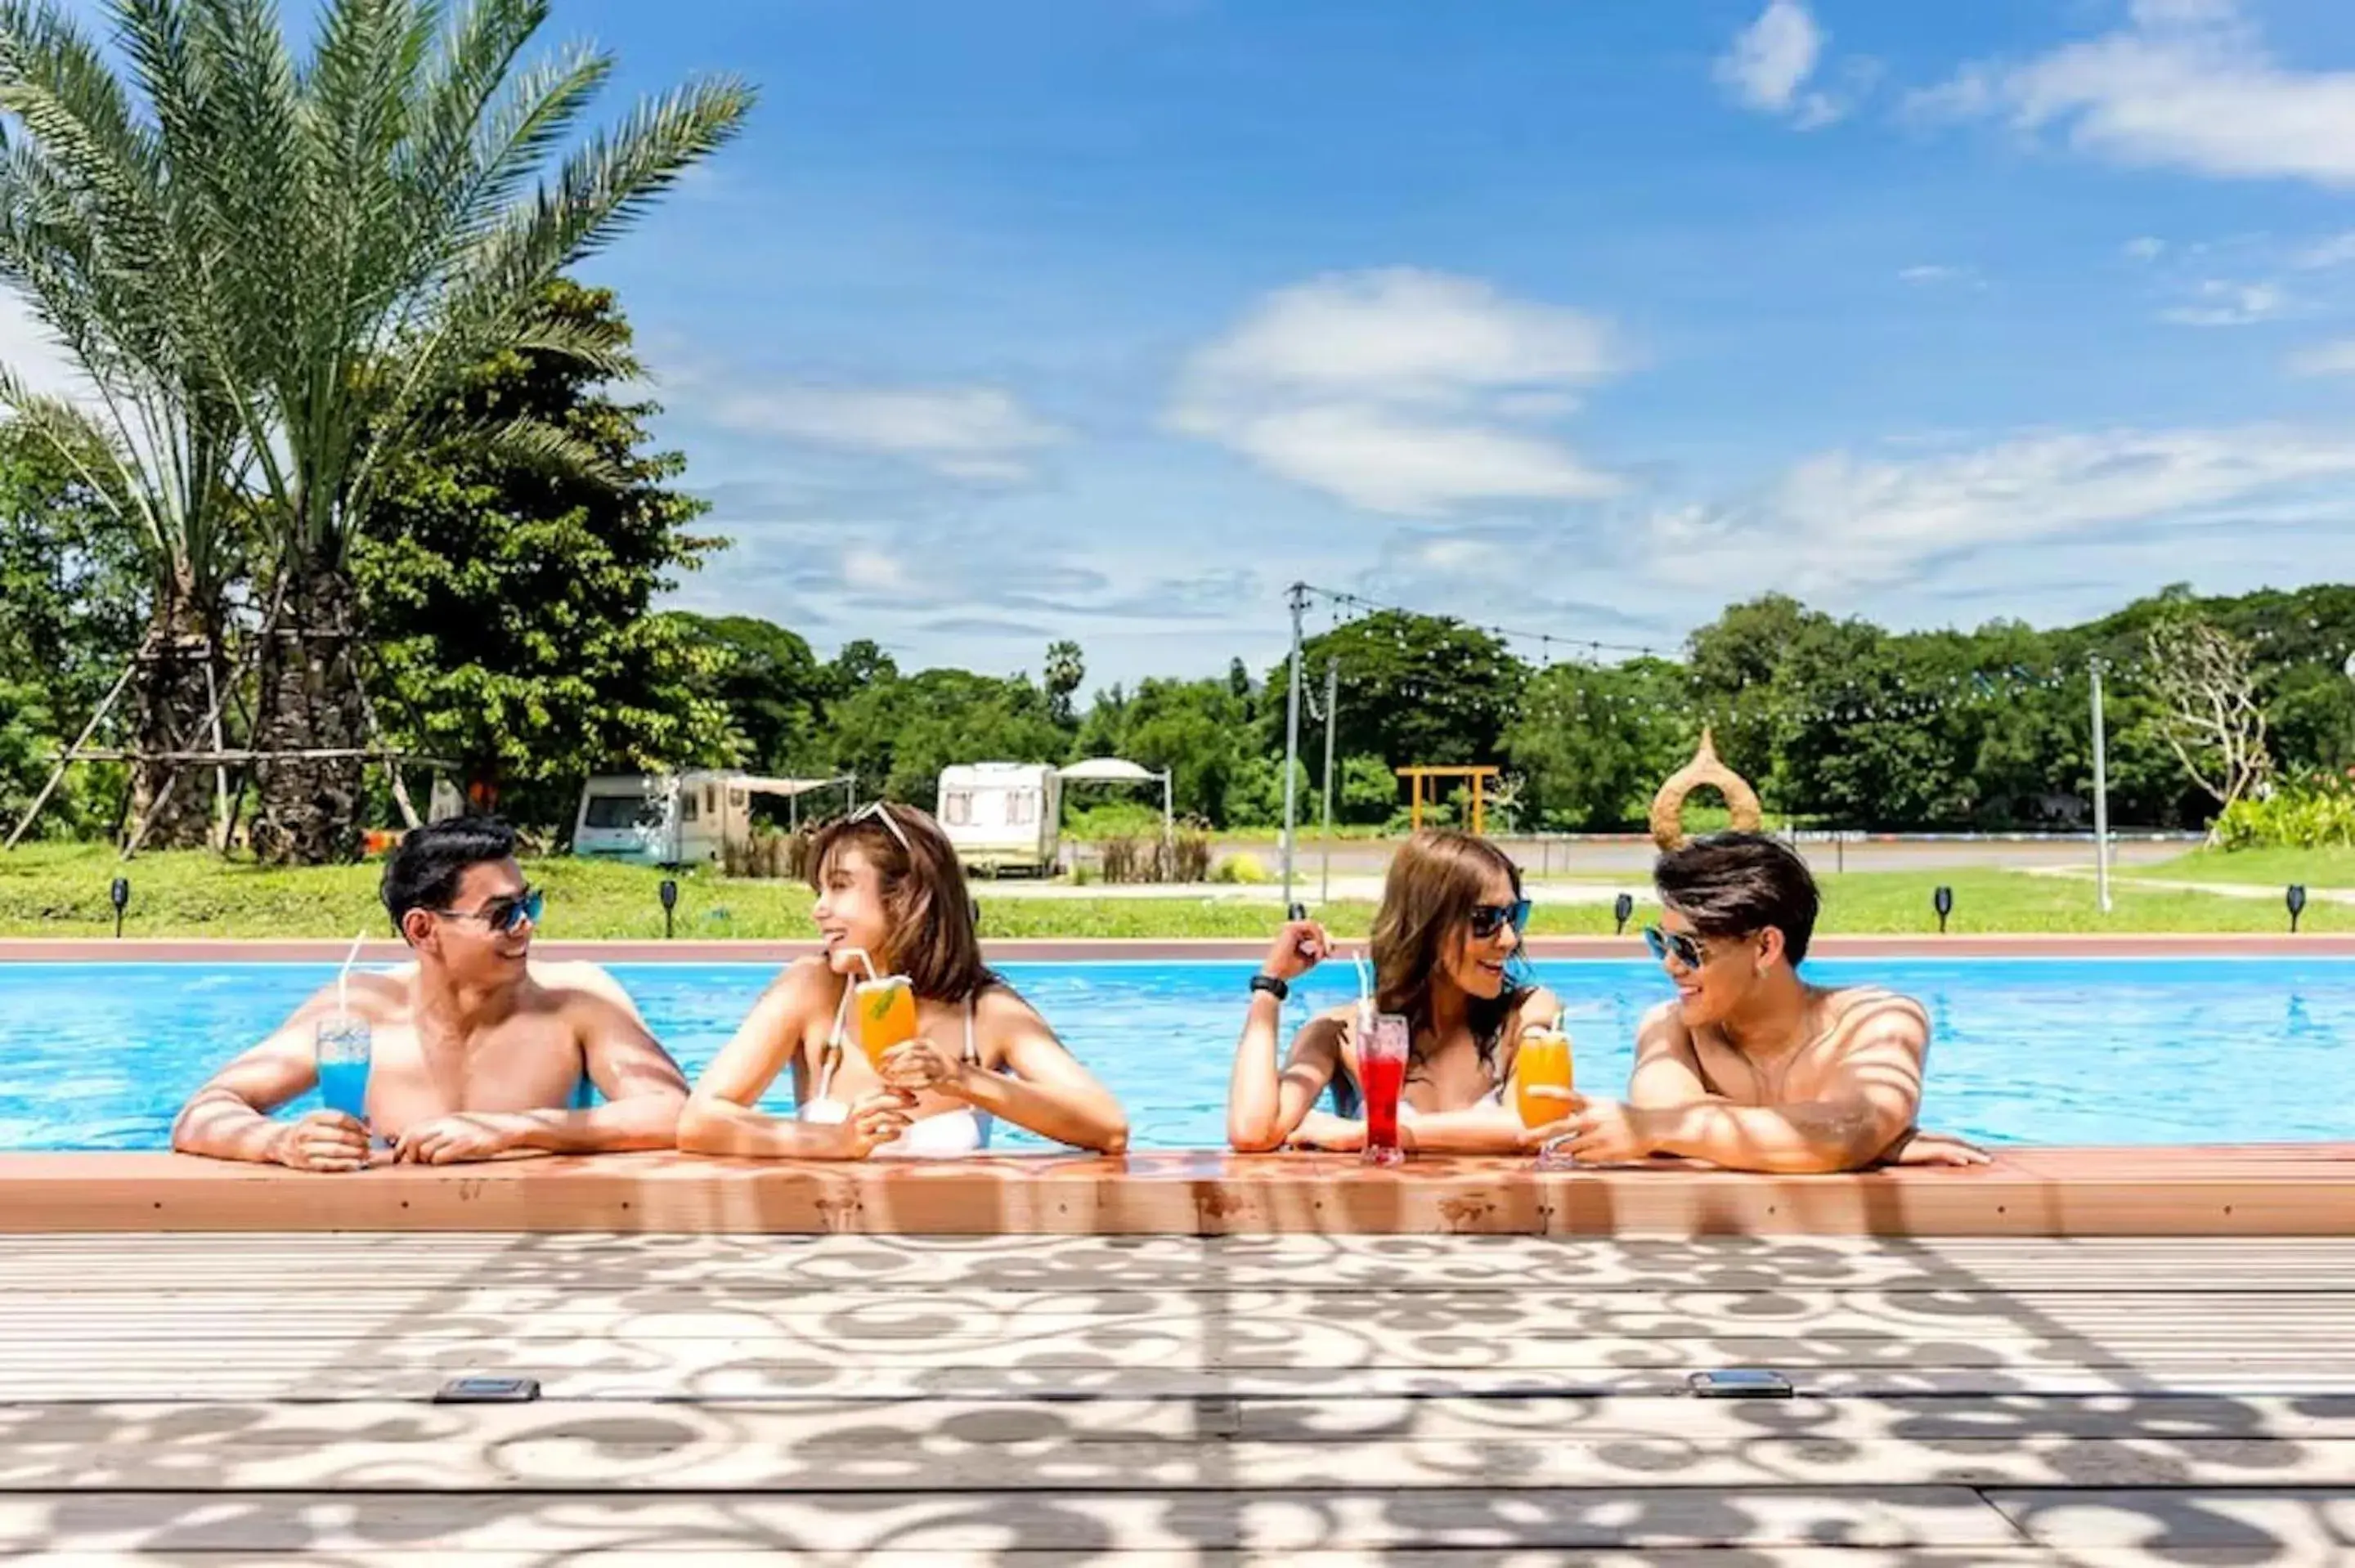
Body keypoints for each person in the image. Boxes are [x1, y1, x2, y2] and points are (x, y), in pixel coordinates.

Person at [171, 817, 688, 1171]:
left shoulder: (576, 1002)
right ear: (421, 930)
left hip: (539, 1243)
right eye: (502, 914)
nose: (526, 927)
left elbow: (675, 1113)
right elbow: (202, 1113)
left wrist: (516, 1130)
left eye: (530, 906)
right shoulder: (358, 1014)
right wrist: (280, 1141)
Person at [677, 801, 1129, 1158]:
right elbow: (700, 1121)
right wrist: (836, 1142)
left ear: (905, 897)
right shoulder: (814, 990)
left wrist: (960, 1078)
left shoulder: (987, 1012)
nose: (819, 909)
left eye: (839, 886)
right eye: (819, 890)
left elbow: (1107, 1126)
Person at [1537, 831, 1988, 1172]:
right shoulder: (1669, 1027)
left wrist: (1656, 1130)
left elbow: (1663, 1124)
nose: (1670, 966)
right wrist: (1858, 1142)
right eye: (1661, 943)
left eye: (1689, 948)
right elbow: (1847, 1131)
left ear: (1765, 948)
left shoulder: (1880, 1019)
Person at [1228, 829, 1563, 1154]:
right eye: (1484, 918)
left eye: (1515, 916)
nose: (1509, 939)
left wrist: (1373, 1133)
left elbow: (1535, 1126)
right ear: (1426, 924)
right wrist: (1270, 985)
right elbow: (1252, 1132)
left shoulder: (1525, 1015)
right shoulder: (1341, 1033)